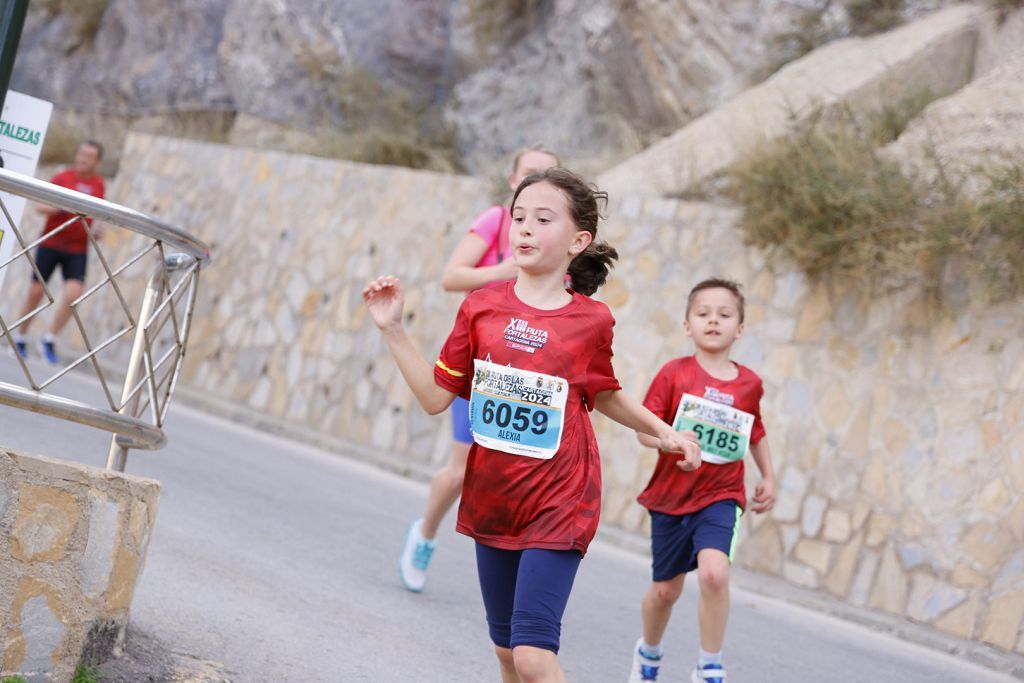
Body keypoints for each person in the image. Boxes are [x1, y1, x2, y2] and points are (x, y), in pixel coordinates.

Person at [364, 168, 701, 682]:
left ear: (578, 241)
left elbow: (604, 392)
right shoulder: (480, 308)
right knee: (505, 655)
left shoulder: (591, 320)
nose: (524, 228)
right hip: (493, 497)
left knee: (533, 656)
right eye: (519, 217)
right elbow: (436, 397)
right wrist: (394, 330)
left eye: (543, 219)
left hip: (561, 498)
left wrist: (666, 432)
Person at [399, 146, 560, 593]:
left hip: (524, 376)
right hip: (478, 364)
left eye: (549, 173)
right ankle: (425, 534)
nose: (539, 179)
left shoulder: (557, 241)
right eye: (530, 173)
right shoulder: (496, 221)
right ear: (513, 182)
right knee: (461, 469)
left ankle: (519, 572)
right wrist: (506, 270)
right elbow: (452, 277)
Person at [627, 278, 777, 683]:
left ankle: (710, 666)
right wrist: (670, 438)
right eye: (703, 313)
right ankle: (649, 654)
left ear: (739, 328)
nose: (714, 321)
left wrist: (768, 476)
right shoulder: (674, 374)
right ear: (687, 325)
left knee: (714, 573)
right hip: (671, 496)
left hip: (721, 495)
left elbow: (755, 431)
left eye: (725, 315)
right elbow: (643, 428)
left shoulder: (749, 384)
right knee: (665, 592)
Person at [12, 140, 106, 365]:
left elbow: (98, 212)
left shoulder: (99, 184)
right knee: (36, 291)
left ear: (97, 161)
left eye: (89, 155)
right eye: (81, 152)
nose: (83, 158)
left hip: (77, 248)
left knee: (74, 294)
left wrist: (99, 228)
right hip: (51, 243)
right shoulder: (63, 177)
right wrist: (64, 207)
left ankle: (49, 338)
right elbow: (40, 207)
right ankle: (20, 335)